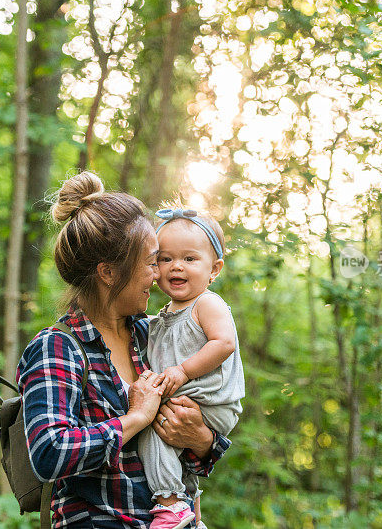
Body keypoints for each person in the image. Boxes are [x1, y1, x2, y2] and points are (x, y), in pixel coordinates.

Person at [16, 172, 231, 528]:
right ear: (109, 272)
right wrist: (135, 419)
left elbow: (193, 459)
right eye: (151, 262)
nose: (159, 275)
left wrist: (202, 439)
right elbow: (49, 454)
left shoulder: (153, 335)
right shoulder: (57, 348)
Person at [138, 208, 245, 529]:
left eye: (189, 259)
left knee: (152, 428)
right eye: (166, 259)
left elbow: (223, 343)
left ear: (214, 269)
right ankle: (190, 512)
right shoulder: (159, 319)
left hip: (212, 403)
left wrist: (183, 371)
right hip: (190, 405)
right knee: (167, 442)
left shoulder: (207, 304)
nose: (176, 266)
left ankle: (170, 505)